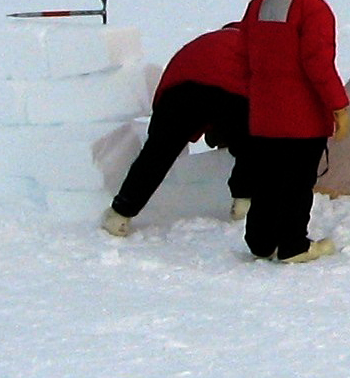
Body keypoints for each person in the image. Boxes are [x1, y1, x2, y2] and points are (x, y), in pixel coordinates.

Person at [238, 0, 349, 262]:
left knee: (268, 180)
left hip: (264, 114)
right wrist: (339, 106)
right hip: (302, 117)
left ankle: (260, 241)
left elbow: (244, 55)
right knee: (297, 183)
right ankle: (292, 245)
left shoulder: (259, 4)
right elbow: (318, 63)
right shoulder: (313, 7)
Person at [101, 24, 254, 236]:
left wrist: (164, 129)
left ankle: (120, 213)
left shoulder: (205, 41)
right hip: (230, 92)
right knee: (251, 145)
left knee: (157, 154)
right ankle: (243, 204)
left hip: (178, 91)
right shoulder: (252, 45)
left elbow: (168, 85)